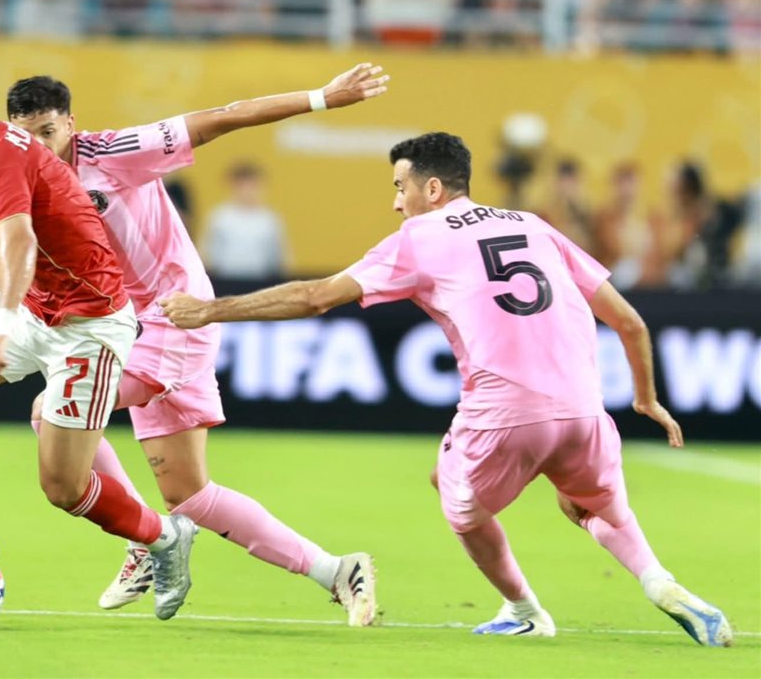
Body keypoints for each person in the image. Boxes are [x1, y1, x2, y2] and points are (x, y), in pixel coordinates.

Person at [159, 132, 733, 647]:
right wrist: (645, 398)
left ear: (431, 188)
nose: (396, 202)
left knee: (454, 496)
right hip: (586, 410)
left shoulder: (419, 237)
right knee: (592, 507)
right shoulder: (534, 226)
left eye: (399, 186)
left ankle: (524, 610)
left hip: (503, 415)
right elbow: (630, 321)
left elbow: (315, 297)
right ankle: (659, 580)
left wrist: (210, 310)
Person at [0, 63, 391, 626]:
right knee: (190, 495)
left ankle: (144, 538)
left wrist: (320, 97)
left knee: (49, 415)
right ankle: (337, 570)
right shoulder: (12, 163)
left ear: (71, 124)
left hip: (170, 319)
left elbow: (221, 117)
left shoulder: (116, 151)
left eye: (49, 131)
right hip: (112, 318)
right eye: (28, 133)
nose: (39, 143)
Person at [0, 58, 197, 621]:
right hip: (35, 306)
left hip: (88, 326)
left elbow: (17, 243)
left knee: (65, 488)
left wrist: (0, 324)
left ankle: (166, 538)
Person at [202, 162, 288, 281]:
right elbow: (209, 254)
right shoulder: (220, 217)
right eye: (242, 186)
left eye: (252, 186)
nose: (247, 191)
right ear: (233, 187)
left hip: (261, 282)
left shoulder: (269, 220)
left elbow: (278, 258)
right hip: (225, 281)